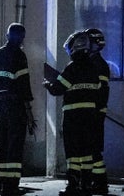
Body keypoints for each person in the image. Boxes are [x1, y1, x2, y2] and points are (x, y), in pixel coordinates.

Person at [44, 30, 102, 196]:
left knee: (73, 153)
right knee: (86, 153)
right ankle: (86, 185)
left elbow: (57, 89)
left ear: (73, 48)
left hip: (73, 117)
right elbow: (98, 90)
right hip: (90, 116)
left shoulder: (72, 67)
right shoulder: (93, 67)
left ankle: (73, 186)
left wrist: (48, 85)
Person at [0, 23, 36, 196]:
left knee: (2, 144)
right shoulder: (19, 55)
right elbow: (24, 85)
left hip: (0, 105)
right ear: (21, 38)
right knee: (15, 145)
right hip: (15, 106)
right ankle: (11, 185)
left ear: (7, 35)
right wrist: (29, 111)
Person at [85, 28, 110, 196]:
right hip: (94, 111)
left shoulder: (97, 65)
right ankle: (96, 182)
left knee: (93, 149)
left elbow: (101, 92)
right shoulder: (96, 63)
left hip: (93, 113)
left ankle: (99, 183)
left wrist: (95, 109)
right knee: (91, 148)